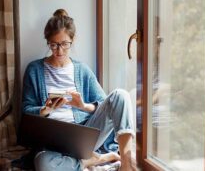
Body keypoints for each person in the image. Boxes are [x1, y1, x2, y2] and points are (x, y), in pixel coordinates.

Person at [22, 9, 136, 171]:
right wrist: (45, 109)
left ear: (72, 40)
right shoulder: (34, 70)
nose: (59, 51)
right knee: (44, 165)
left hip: (83, 137)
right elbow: (25, 111)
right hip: (50, 143)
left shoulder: (82, 70)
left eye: (64, 44)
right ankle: (91, 161)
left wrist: (83, 105)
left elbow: (106, 105)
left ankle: (126, 163)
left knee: (121, 95)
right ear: (47, 42)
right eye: (53, 45)